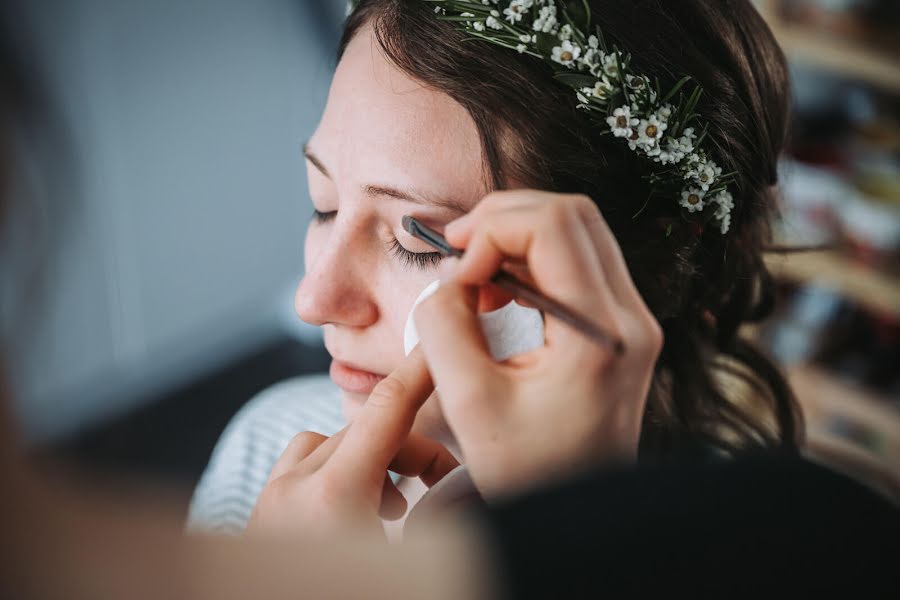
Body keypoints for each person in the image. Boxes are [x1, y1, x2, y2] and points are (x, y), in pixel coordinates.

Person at [191, 0, 803, 535]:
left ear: (644, 269)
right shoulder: (269, 447)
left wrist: (570, 540)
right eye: (322, 206)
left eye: (417, 240)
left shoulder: (741, 559)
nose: (313, 300)